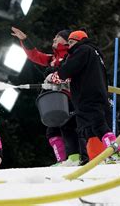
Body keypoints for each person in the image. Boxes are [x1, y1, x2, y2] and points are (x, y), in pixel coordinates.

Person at [11, 27, 85, 166]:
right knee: (52, 130)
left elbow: (72, 75)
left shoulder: (72, 56)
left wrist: (56, 77)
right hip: (55, 99)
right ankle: (62, 160)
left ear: (67, 40)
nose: (54, 39)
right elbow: (35, 55)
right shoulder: (53, 58)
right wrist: (24, 40)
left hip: (69, 98)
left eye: (58, 36)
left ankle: (74, 158)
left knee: (68, 126)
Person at [49, 30, 120, 163]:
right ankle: (98, 158)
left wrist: (56, 77)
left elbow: (69, 68)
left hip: (88, 96)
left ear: (79, 40)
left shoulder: (83, 50)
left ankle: (117, 152)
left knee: (99, 125)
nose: (69, 46)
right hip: (95, 95)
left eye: (71, 42)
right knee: (90, 129)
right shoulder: (94, 54)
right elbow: (83, 72)